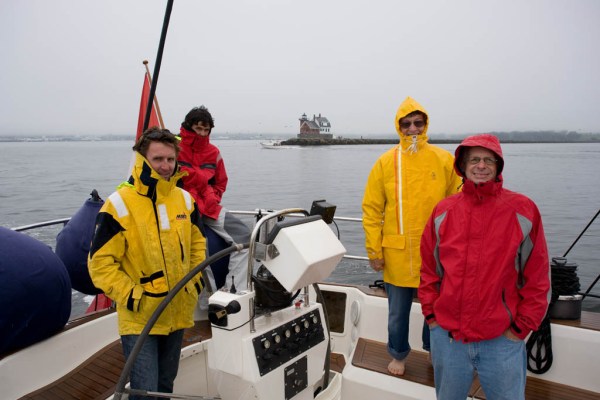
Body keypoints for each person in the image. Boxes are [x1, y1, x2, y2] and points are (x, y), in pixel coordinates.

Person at [419, 134, 551, 400]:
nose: (481, 166)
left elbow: (538, 277)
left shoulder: (523, 210)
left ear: (498, 165)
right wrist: (432, 318)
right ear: (463, 165)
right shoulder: (443, 211)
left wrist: (520, 329)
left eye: (488, 160)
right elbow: (428, 271)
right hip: (448, 338)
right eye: (475, 160)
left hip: (502, 340)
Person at [88, 128, 206, 400]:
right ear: (142, 159)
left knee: (165, 386)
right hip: (140, 316)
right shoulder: (118, 205)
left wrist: (195, 282)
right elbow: (100, 264)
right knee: (144, 391)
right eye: (158, 159)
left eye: (170, 159)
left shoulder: (185, 201)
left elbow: (198, 245)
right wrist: (132, 296)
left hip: (177, 311)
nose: (165, 166)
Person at [362, 96, 462, 376]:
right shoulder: (385, 162)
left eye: (418, 122)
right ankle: (398, 354)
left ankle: (433, 350)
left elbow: (459, 203)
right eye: (406, 124)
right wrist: (374, 251)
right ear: (399, 127)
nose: (412, 128)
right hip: (396, 254)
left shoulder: (445, 160)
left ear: (426, 124)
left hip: (438, 253)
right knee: (397, 313)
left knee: (437, 309)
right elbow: (371, 210)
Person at [177, 105, 252, 293]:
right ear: (188, 127)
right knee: (201, 252)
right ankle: (209, 300)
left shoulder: (213, 152)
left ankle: (233, 290)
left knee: (245, 238)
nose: (202, 133)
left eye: (206, 129)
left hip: (209, 207)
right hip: (182, 210)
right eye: (198, 128)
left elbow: (221, 182)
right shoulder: (174, 149)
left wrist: (212, 196)